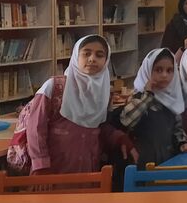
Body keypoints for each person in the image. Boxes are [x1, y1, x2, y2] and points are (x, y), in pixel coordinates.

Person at [24, 35, 136, 175]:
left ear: (106, 60)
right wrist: (40, 165)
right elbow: (35, 128)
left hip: (87, 170)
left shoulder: (104, 93)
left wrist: (119, 138)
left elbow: (99, 127)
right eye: (86, 53)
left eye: (99, 55)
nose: (92, 59)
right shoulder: (54, 87)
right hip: (52, 171)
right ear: (76, 56)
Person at [120, 49, 187, 168]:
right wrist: (148, 95)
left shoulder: (172, 98)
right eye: (158, 70)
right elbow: (126, 120)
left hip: (167, 161)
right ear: (147, 70)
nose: (164, 75)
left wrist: (182, 143)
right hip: (142, 163)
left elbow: (176, 128)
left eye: (169, 71)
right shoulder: (138, 96)